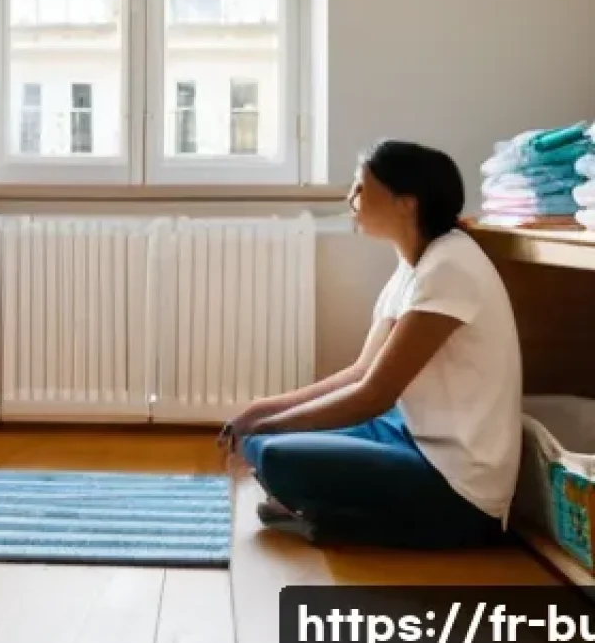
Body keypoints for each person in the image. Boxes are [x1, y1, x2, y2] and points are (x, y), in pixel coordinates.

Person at [222, 140, 523, 549]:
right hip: (409, 434)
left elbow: (375, 394)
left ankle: (331, 518)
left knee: (275, 453)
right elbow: (361, 372)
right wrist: (261, 411)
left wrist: (270, 425)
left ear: (406, 203)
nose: (351, 197)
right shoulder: (413, 266)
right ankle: (320, 510)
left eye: (361, 187)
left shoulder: (450, 266)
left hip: (457, 484)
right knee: (264, 442)